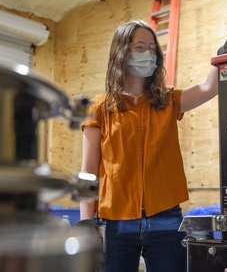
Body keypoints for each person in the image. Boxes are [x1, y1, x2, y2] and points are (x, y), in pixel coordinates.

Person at [80, 19, 218, 272]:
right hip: (114, 223)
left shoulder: (168, 100)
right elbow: (88, 171)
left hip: (166, 218)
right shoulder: (98, 108)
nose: (149, 54)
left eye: (153, 49)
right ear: (121, 53)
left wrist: (226, 57)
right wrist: (86, 222)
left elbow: (209, 87)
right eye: (140, 47)